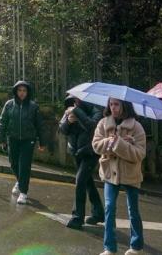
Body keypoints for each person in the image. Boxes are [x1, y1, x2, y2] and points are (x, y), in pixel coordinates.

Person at [92, 98, 146, 255]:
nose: (113, 107)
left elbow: (140, 154)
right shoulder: (103, 123)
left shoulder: (136, 127)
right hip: (110, 173)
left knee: (133, 210)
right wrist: (109, 142)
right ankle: (109, 248)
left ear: (124, 105)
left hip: (131, 174)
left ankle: (136, 246)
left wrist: (122, 144)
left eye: (117, 104)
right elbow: (96, 146)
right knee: (109, 208)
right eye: (111, 104)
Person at [0, 80, 47, 205]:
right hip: (12, 138)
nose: (22, 93)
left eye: (24, 90)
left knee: (24, 165)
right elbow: (2, 122)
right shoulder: (9, 104)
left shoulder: (33, 106)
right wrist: (1, 139)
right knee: (13, 163)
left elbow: (40, 125)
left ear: (28, 92)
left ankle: (23, 193)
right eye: (19, 90)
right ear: (15, 91)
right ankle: (19, 182)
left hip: (28, 140)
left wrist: (42, 142)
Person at [59, 95, 104, 230]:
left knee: (80, 181)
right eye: (73, 101)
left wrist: (78, 113)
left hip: (90, 152)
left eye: (78, 101)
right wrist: (69, 121)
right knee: (87, 182)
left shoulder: (96, 110)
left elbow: (92, 126)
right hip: (76, 151)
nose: (75, 103)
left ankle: (77, 217)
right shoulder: (69, 110)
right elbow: (62, 129)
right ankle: (98, 213)